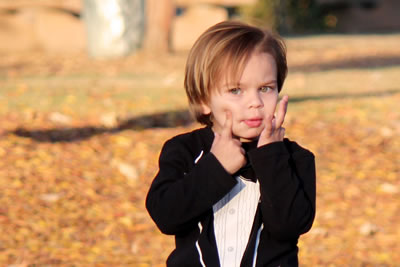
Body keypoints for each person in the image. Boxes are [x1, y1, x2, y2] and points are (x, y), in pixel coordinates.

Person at [146, 20, 316, 267]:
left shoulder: (295, 159)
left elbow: (289, 226)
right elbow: (166, 216)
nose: (255, 102)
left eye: (266, 88)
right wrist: (216, 167)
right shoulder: (184, 151)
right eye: (236, 90)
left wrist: (271, 157)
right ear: (204, 99)